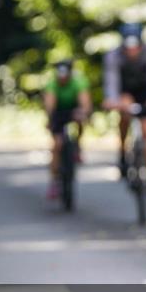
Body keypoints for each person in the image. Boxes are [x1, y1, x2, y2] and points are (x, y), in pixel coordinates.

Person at [102, 22, 146, 207]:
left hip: (145, 91)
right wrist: (111, 99)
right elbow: (111, 80)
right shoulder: (113, 56)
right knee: (124, 112)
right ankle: (122, 152)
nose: (132, 51)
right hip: (125, 92)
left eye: (135, 46)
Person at [43, 59, 91, 200]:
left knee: (81, 120)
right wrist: (50, 119)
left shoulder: (78, 82)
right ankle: (54, 181)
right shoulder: (52, 84)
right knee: (57, 145)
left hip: (73, 110)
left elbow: (85, 103)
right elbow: (49, 106)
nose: (63, 79)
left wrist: (84, 112)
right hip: (58, 112)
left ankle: (78, 147)